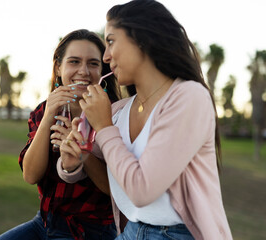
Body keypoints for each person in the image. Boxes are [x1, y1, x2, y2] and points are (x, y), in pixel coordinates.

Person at [57, 1, 233, 239]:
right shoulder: (119, 110)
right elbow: (88, 160)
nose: (106, 57)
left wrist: (105, 126)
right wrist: (72, 160)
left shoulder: (189, 97)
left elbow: (141, 191)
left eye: (110, 41)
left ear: (142, 39)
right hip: (131, 230)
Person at [0, 29, 121, 240]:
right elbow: (30, 175)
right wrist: (48, 117)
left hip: (90, 231)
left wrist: (82, 152)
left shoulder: (114, 114)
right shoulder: (44, 110)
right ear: (58, 66)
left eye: (93, 63)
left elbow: (115, 189)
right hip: (43, 222)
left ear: (103, 71)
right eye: (74, 62)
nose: (83, 71)